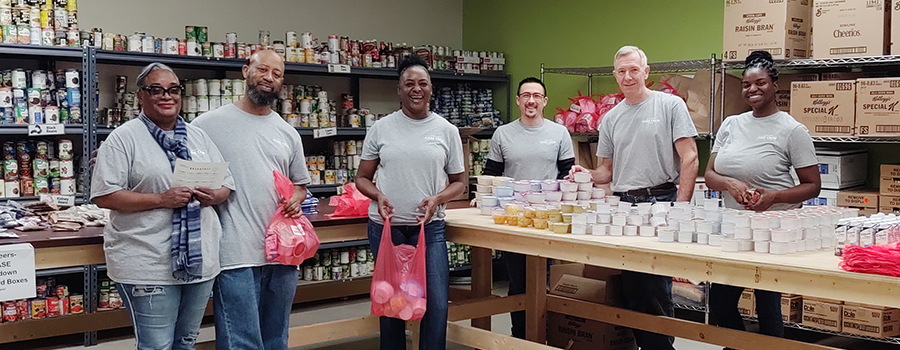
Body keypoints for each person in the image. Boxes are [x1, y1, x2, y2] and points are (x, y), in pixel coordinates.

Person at [91, 63, 234, 350]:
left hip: (198, 260)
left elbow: (226, 185)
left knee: (185, 342)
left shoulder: (197, 137)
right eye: (156, 90)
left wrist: (212, 195)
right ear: (140, 97)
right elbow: (104, 195)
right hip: (148, 261)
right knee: (156, 346)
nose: (166, 96)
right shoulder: (123, 139)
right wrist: (161, 200)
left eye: (173, 90)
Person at [570, 45, 699, 350]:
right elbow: (606, 171)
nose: (628, 77)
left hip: (662, 201)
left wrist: (680, 207)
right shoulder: (612, 118)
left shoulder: (670, 106)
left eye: (634, 70)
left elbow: (690, 157)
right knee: (631, 287)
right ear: (615, 75)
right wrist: (584, 174)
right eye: (622, 71)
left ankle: (661, 347)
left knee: (654, 286)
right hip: (626, 206)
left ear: (646, 72)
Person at [191, 50, 311, 350]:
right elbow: (183, 166)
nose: (269, 78)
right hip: (234, 252)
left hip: (282, 253)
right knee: (240, 341)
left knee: (276, 338)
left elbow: (301, 185)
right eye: (263, 70)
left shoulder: (287, 133)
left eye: (277, 74)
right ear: (246, 71)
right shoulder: (208, 124)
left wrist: (297, 198)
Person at [705, 50, 820, 341]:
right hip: (734, 228)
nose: (752, 89)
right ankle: (739, 346)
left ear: (774, 85)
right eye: (746, 84)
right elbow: (709, 175)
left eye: (760, 83)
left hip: (773, 230)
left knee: (767, 304)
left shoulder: (792, 130)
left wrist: (773, 197)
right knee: (720, 301)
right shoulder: (731, 124)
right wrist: (730, 183)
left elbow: (812, 185)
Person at [355, 54, 466, 350]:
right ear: (399, 90)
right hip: (387, 229)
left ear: (431, 88)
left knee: (436, 303)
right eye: (409, 84)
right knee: (390, 304)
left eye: (422, 84)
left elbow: (460, 182)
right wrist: (378, 195)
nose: (416, 89)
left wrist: (438, 199)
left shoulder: (447, 131)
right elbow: (362, 178)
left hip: (429, 230)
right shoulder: (381, 128)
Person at [483, 76, 574, 339]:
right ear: (518, 100)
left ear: (544, 101)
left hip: (549, 220)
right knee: (519, 282)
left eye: (536, 96)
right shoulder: (503, 134)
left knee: (548, 280)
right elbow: (492, 173)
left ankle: (549, 336)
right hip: (515, 219)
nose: (531, 100)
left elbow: (568, 174)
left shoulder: (559, 133)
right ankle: (521, 337)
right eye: (526, 95)